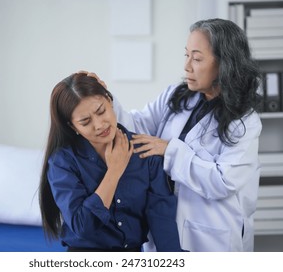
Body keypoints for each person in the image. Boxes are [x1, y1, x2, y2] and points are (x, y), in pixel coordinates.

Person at [88, 18, 263, 252]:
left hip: (212, 235)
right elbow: (137, 126)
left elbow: (223, 181)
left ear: (224, 65)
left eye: (197, 58)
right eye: (187, 55)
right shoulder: (177, 95)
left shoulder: (244, 121)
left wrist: (169, 150)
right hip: (165, 226)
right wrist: (105, 98)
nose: (187, 66)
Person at [39, 72, 182, 252]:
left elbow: (162, 223)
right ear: (72, 126)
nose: (99, 125)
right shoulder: (63, 162)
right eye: (85, 122)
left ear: (109, 100)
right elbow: (83, 227)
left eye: (101, 111)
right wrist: (114, 171)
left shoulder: (146, 152)